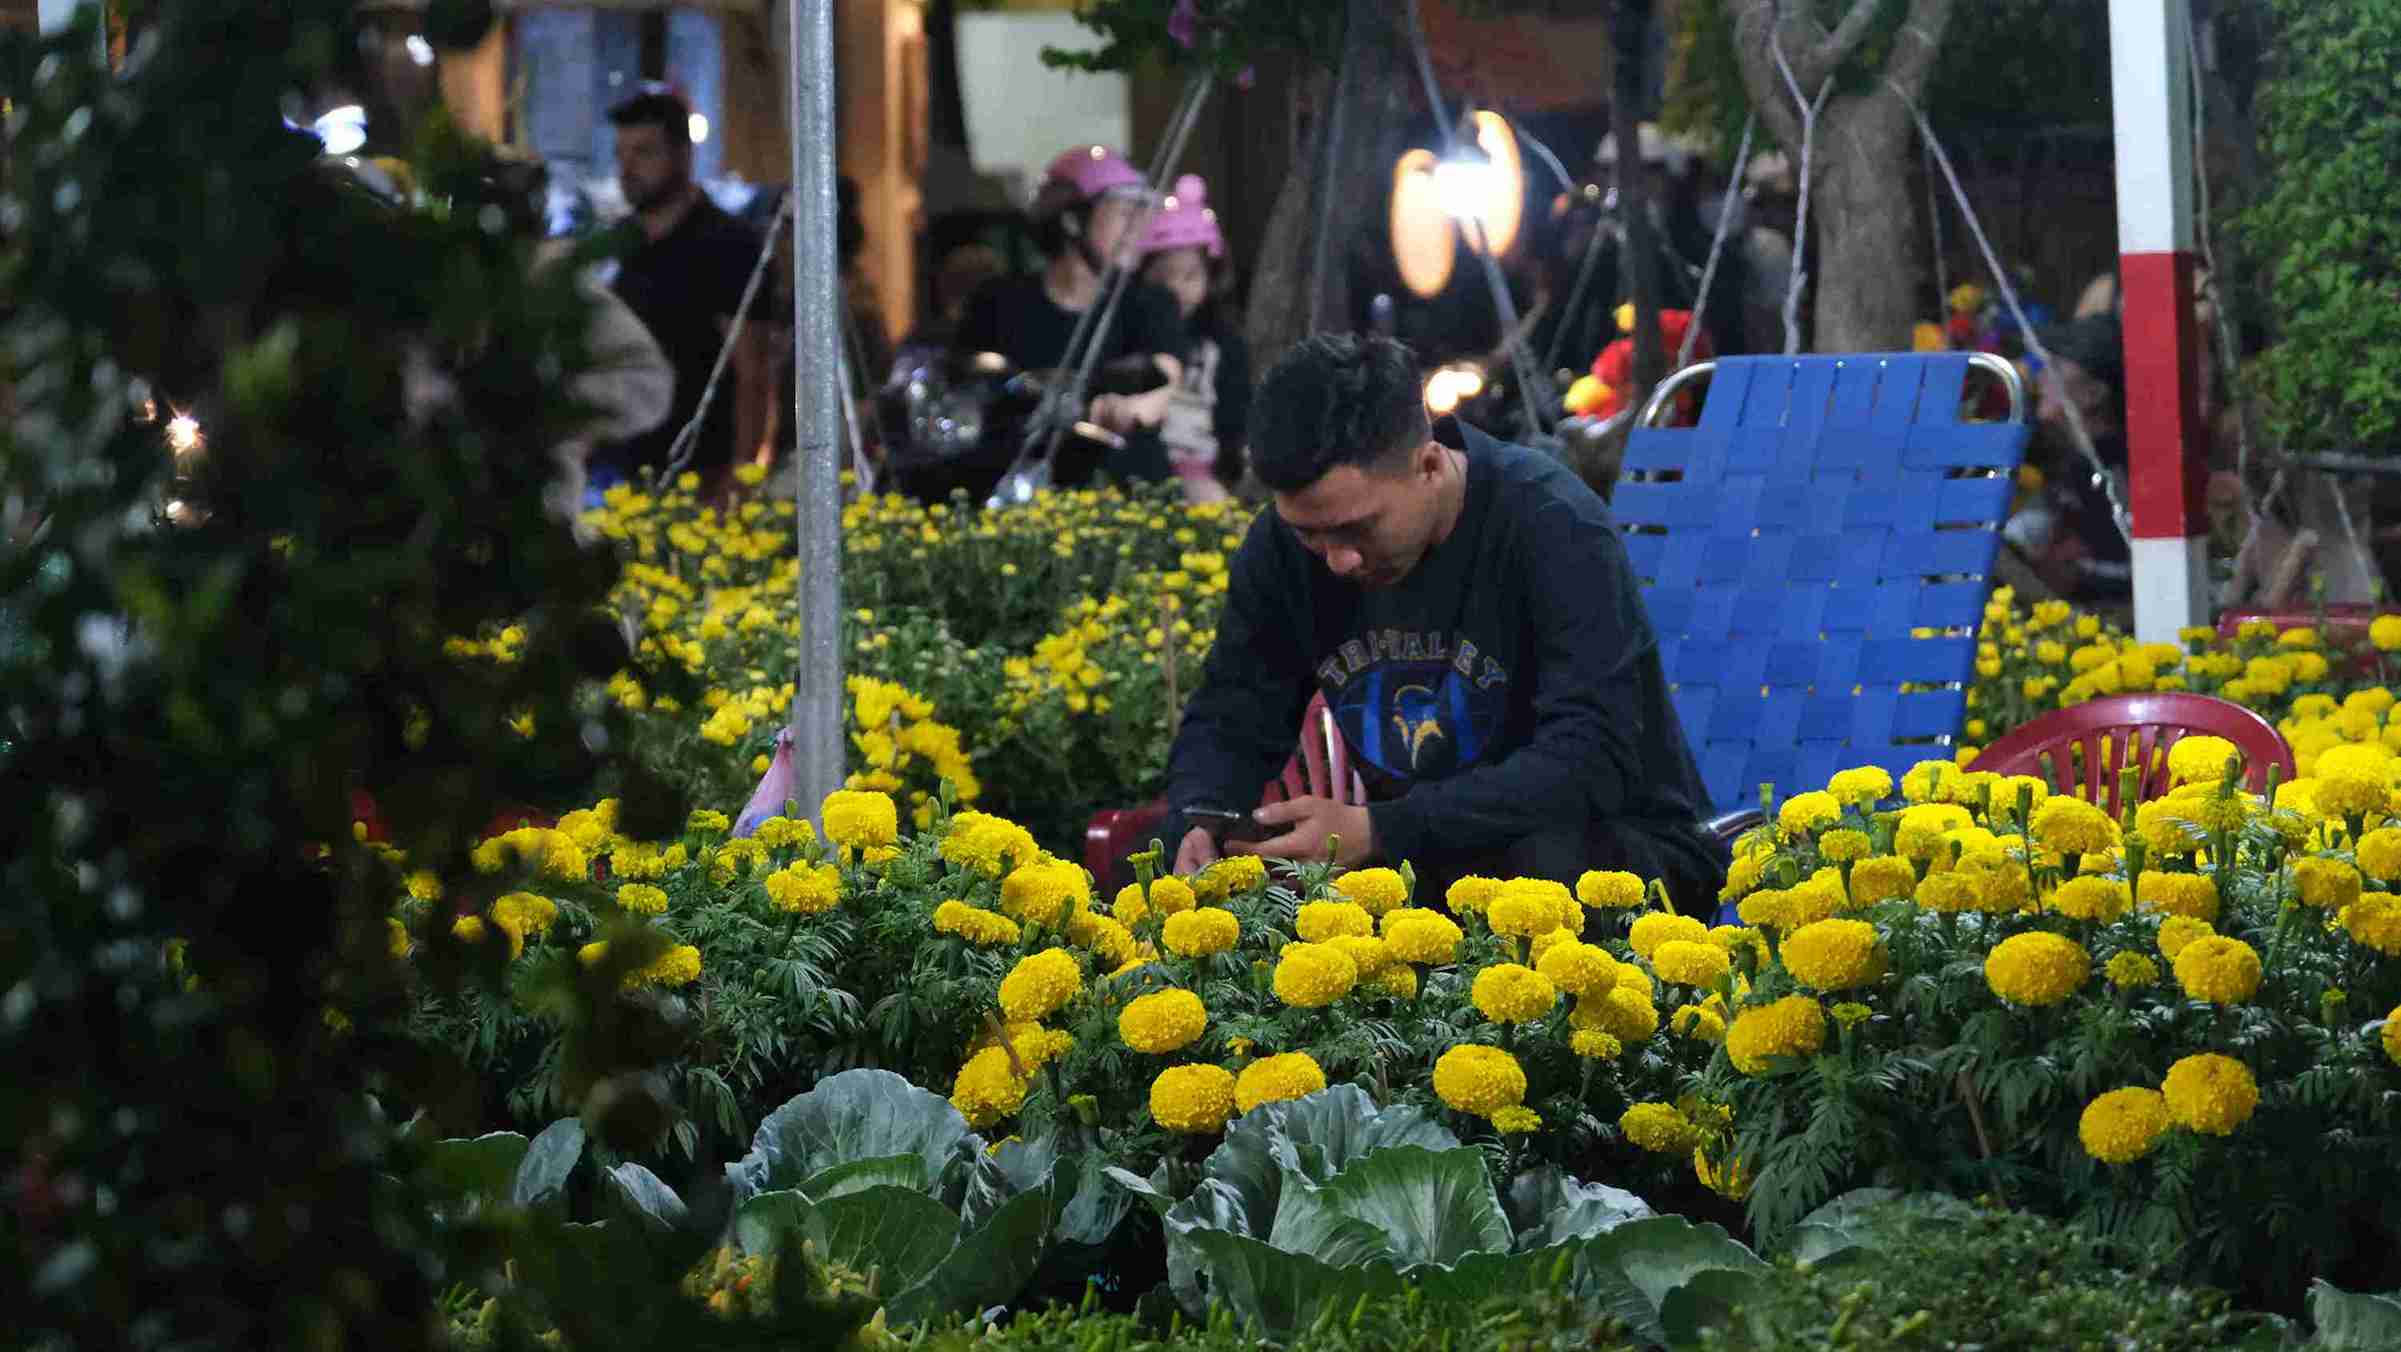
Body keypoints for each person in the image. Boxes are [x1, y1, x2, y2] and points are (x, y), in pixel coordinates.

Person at [1162, 334, 1728, 913]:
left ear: (1429, 464)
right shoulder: (1284, 548)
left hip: (1621, 854)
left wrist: (1381, 829)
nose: (1338, 559)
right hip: (1428, 857)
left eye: (1358, 528)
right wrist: (1199, 816)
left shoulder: (1553, 526)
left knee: (1533, 868)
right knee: (1175, 862)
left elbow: (1590, 762)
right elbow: (1233, 713)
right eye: (1312, 534)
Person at [951, 145, 1185, 488]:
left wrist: (1129, 407)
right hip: (1018, 481)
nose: (1140, 229)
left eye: (1144, 215)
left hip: (1123, 483)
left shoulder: (1149, 302)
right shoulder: (998, 302)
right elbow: (965, 387)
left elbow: (1167, 379)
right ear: (1072, 220)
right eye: (1124, 214)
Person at [594, 89, 774, 497]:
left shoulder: (727, 244)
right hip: (624, 470)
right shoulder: (622, 242)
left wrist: (743, 476)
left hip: (703, 471)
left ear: (682, 155)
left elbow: (754, 368)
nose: (627, 168)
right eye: (620, 154)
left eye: (643, 153)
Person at [1139, 174, 1250, 503]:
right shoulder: (1129, 337)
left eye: (1190, 275)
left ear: (1211, 278)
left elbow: (1234, 419)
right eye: (1163, 275)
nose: (1176, 288)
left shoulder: (1222, 344)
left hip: (1204, 476)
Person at [2029, 314, 2132, 608]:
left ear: (2094, 394)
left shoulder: (2111, 469)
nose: (2042, 377)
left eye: (2057, 366)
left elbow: (2127, 569)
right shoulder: (2072, 461)